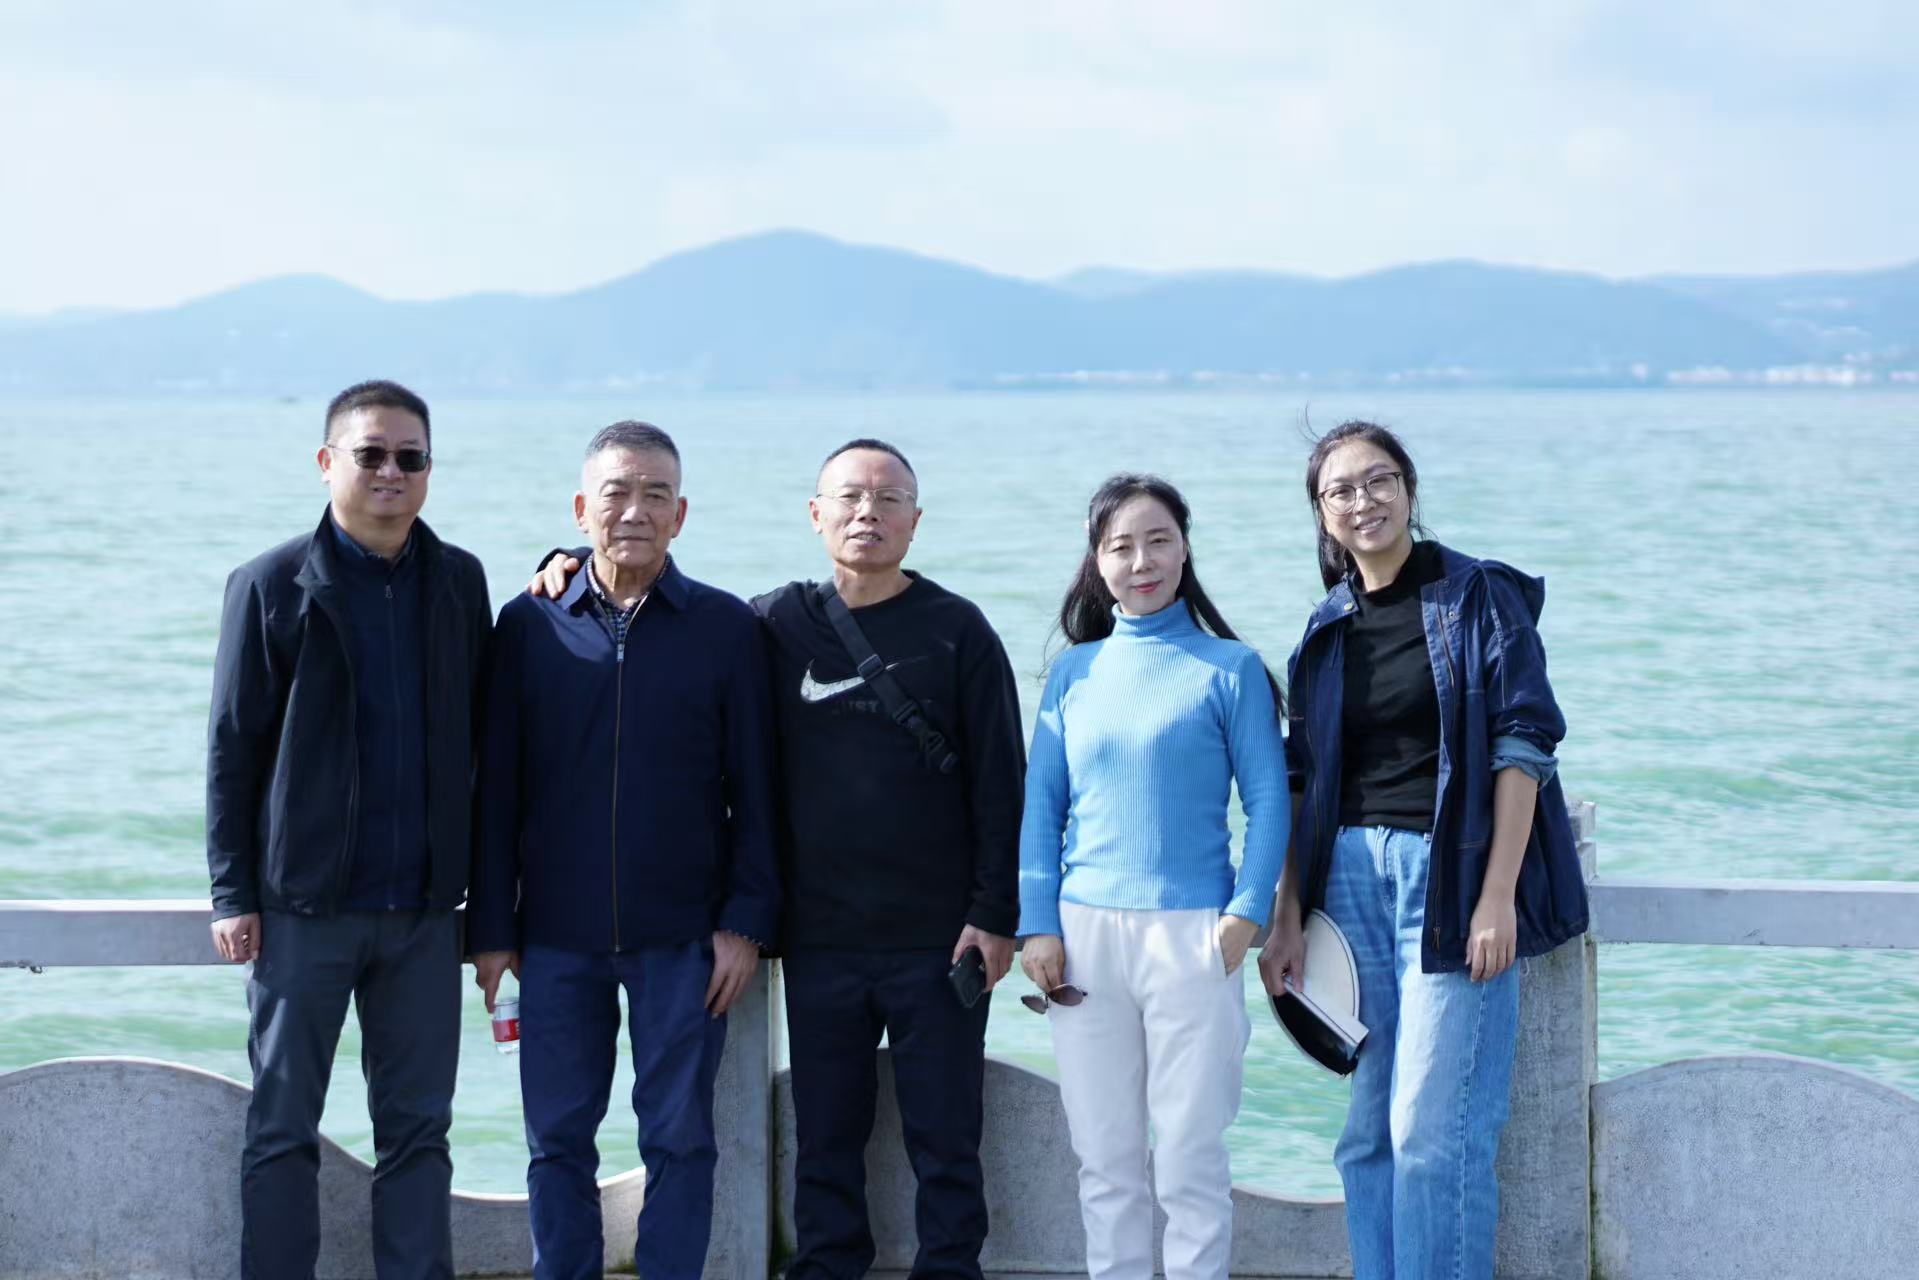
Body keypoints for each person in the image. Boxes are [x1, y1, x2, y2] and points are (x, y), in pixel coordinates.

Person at [536, 437, 1026, 1279]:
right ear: (815, 514)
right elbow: (655, 605)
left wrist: (994, 914)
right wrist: (567, 564)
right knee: (823, 1139)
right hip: (818, 938)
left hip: (938, 938)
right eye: (849, 498)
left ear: (914, 520)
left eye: (888, 500)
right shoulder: (772, 623)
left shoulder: (959, 630)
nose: (867, 514)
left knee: (946, 1138)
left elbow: (1000, 782)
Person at [1256, 421, 1589, 1280]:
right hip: (1346, 889)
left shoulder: (1477, 596)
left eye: (1378, 480)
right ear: (1321, 514)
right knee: (1367, 1136)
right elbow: (1300, 777)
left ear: (1408, 489)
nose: (1361, 501)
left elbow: (1523, 744)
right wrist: (1286, 914)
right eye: (1339, 490)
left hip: (1449, 881)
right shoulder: (1326, 626)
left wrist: (1495, 895)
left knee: (1431, 1135)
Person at [469, 420, 779, 1280]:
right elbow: (494, 790)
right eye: (616, 493)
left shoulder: (724, 627)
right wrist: (492, 929)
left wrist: (744, 923)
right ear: (582, 508)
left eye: (654, 495)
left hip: (683, 938)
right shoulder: (527, 624)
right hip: (553, 937)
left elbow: (757, 789)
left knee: (680, 1139)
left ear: (680, 515)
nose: (634, 511)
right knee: (555, 1140)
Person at [205, 379, 492, 1280]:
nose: (390, 472)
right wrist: (232, 891)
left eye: (410, 456)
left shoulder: (459, 581)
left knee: (420, 1132)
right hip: (303, 912)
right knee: (281, 1126)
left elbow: (488, 739)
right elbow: (231, 748)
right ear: (328, 462)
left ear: (429, 469)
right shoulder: (269, 584)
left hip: (423, 914)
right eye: (370, 454)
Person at [1017, 473, 1288, 1280]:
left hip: (1193, 934)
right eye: (1121, 546)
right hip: (1084, 936)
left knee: (1189, 1159)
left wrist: (1246, 912)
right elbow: (1040, 808)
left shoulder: (1230, 668)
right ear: (1096, 560)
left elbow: (1268, 800)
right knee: (1104, 1160)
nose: (1141, 562)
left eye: (1158, 541)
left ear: (1184, 548)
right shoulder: (1073, 674)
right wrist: (1037, 923)